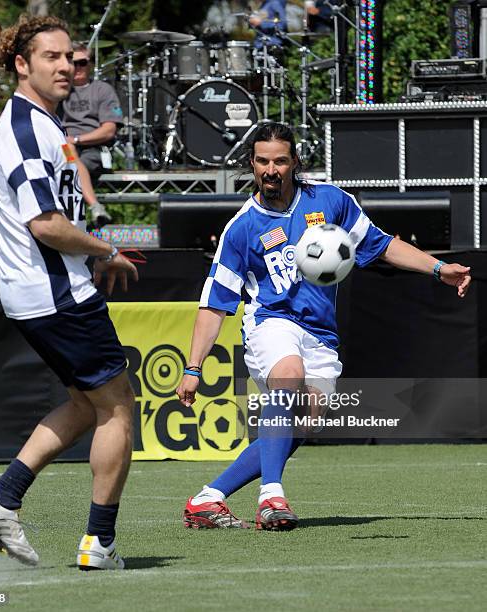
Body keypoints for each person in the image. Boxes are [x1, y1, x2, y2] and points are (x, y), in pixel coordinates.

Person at [177, 122, 471, 531]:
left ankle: (207, 499)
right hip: (270, 321)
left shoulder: (330, 201)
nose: (271, 169)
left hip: (320, 334)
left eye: (280, 161)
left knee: (305, 420)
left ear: (294, 162)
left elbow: (382, 244)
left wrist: (438, 268)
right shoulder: (242, 228)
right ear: (252, 164)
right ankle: (272, 497)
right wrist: (193, 367)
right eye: (262, 161)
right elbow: (214, 306)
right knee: (288, 375)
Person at [0, 14, 138, 570]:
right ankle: (100, 543)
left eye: (71, 57)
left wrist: (92, 251)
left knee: (87, 405)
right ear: (22, 64)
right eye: (52, 57)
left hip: (47, 291)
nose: (66, 66)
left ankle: (2, 499)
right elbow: (46, 225)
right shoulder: (22, 128)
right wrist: (104, 251)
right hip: (55, 294)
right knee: (117, 411)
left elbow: (67, 205)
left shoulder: (48, 125)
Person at [60, 42, 124, 227]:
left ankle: (74, 223)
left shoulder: (103, 90)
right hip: (63, 148)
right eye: (73, 62)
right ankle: (94, 207)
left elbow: (109, 130)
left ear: (90, 64)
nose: (78, 67)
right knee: (66, 154)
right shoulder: (60, 89)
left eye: (82, 62)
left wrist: (77, 139)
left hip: (93, 149)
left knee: (71, 167)